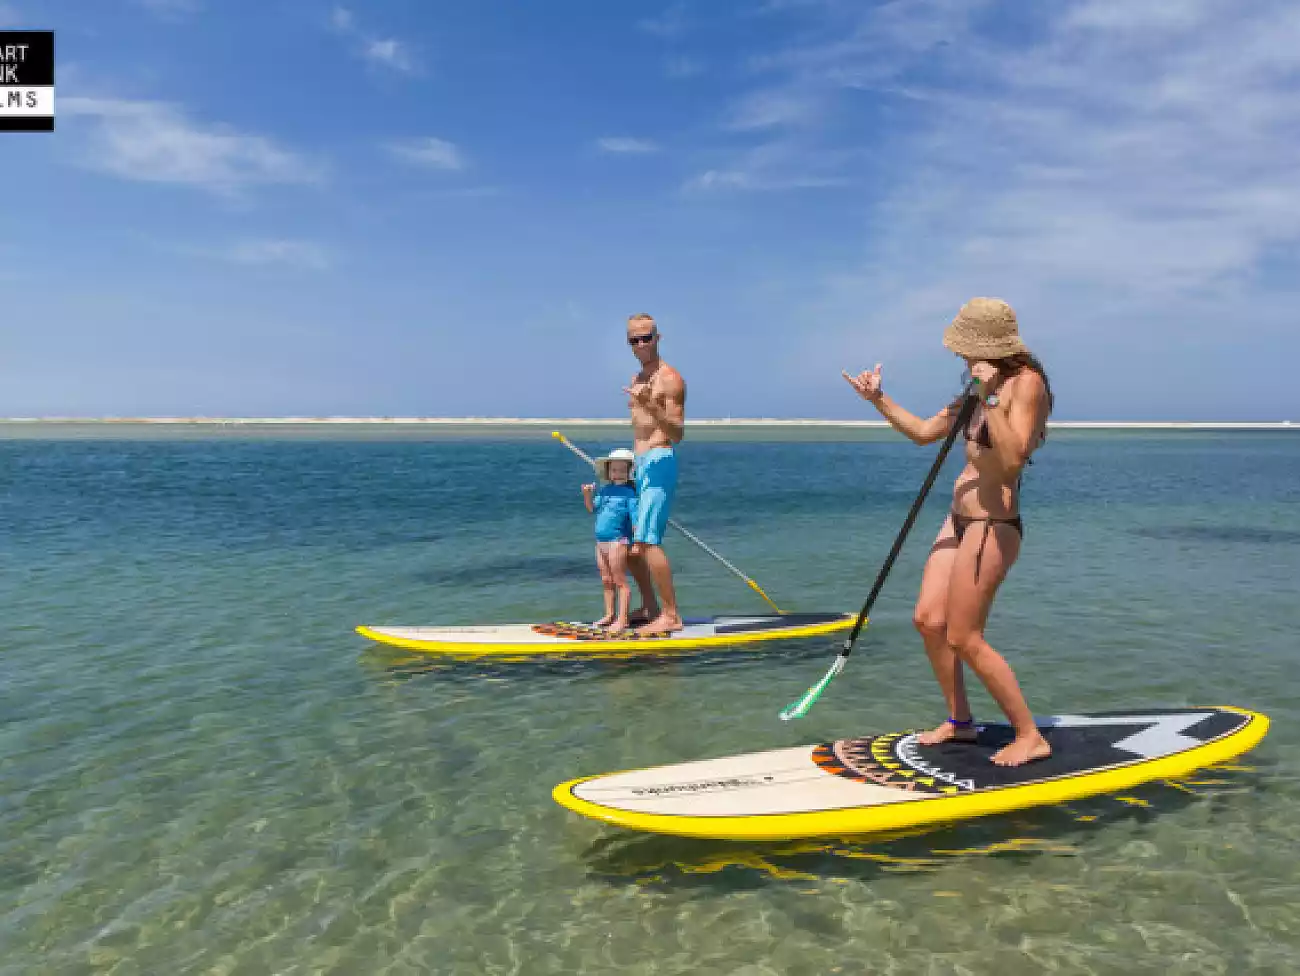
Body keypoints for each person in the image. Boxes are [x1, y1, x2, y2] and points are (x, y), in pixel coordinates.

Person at [843, 297, 1054, 767]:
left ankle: (1029, 734)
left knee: (965, 636)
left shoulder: (1025, 385)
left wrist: (991, 399)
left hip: (992, 524)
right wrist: (878, 399)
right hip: (957, 521)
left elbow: (1014, 456)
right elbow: (923, 432)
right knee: (928, 620)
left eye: (967, 349)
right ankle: (960, 722)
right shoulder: (982, 388)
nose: (961, 358)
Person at [622, 313, 687, 635]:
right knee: (631, 549)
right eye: (635, 339)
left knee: (648, 542)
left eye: (646, 337)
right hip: (639, 465)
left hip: (660, 460)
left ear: (658, 337)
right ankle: (650, 608)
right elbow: (639, 431)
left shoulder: (670, 379)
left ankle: (671, 615)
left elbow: (676, 433)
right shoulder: (636, 380)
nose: (641, 344)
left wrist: (653, 407)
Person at [582, 448, 638, 631]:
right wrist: (587, 494)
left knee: (620, 580)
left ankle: (622, 619)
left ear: (630, 471)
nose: (617, 473)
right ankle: (609, 614)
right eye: (614, 470)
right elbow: (591, 509)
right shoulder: (605, 491)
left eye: (622, 470)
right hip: (601, 542)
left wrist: (636, 543)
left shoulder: (630, 494)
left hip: (618, 540)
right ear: (608, 472)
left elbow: (636, 521)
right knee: (606, 579)